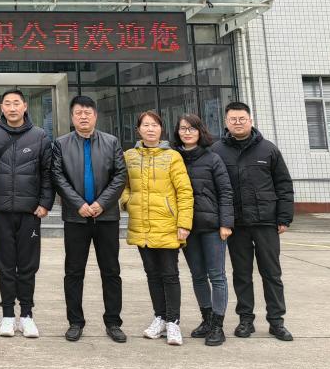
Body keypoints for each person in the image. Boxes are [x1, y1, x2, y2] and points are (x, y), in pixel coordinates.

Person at [213, 101, 295, 341]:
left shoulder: (268, 149)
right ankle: (245, 320)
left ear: (250, 120)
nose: (238, 123)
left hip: (266, 222)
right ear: (226, 122)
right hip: (236, 224)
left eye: (242, 119)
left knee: (272, 274)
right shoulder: (217, 150)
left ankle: (276, 322)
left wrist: (284, 217)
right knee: (241, 274)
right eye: (233, 119)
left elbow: (283, 184)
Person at [51, 94, 128, 343]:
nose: (83, 117)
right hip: (76, 218)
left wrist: (101, 204)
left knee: (111, 271)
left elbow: (120, 176)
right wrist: (79, 205)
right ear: (72, 117)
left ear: (95, 115)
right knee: (74, 272)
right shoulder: (61, 144)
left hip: (106, 217)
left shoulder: (111, 142)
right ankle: (75, 322)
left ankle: (113, 322)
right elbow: (58, 177)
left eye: (87, 112)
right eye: (78, 113)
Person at [121, 110, 194, 346]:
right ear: (138, 130)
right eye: (145, 125)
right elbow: (123, 186)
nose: (150, 129)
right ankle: (160, 317)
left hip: (167, 225)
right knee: (152, 274)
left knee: (169, 275)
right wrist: (127, 202)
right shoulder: (129, 156)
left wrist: (184, 223)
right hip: (141, 225)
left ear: (161, 129)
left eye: (154, 125)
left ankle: (173, 322)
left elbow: (185, 192)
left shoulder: (173, 157)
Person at [0, 88, 54, 338]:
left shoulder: (40, 136)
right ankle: (6, 315)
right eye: (7, 103)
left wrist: (45, 202)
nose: (12, 108)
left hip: (30, 213)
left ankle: (26, 315)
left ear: (25, 106)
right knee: (4, 267)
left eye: (16, 103)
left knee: (27, 267)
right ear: (1, 108)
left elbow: (47, 173)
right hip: (1, 213)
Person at [175, 113, 234, 346]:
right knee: (198, 275)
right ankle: (207, 319)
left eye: (192, 128)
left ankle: (218, 325)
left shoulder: (213, 158)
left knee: (217, 275)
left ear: (200, 131)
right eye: (183, 128)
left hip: (212, 227)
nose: (187, 132)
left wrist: (226, 223)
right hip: (187, 228)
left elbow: (225, 191)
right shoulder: (174, 158)